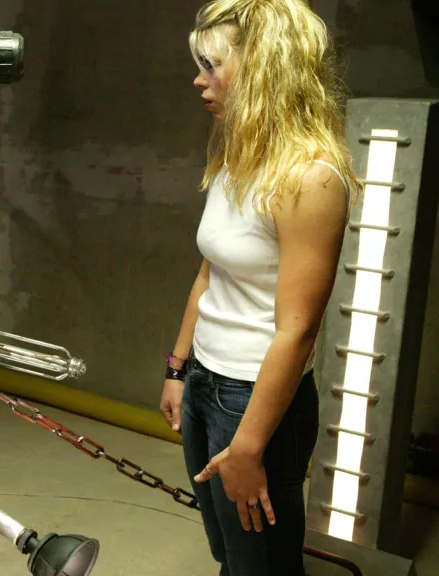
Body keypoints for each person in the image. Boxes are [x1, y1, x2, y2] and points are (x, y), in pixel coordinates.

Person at [158, 1, 362, 574]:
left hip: (254, 400)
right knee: (229, 550)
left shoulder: (311, 179)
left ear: (265, 68)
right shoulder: (237, 154)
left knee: (262, 564)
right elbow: (210, 273)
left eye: (212, 65)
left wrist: (248, 447)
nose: (198, 80)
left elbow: (297, 331)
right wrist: (178, 367)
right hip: (205, 380)